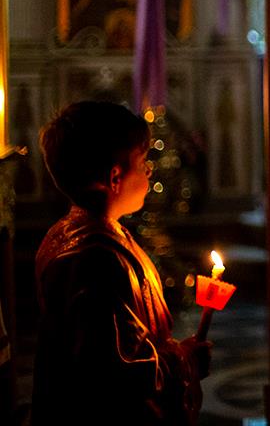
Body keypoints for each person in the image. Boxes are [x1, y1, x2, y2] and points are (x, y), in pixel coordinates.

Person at [32, 101, 209, 426]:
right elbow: (119, 372)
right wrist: (187, 361)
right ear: (115, 178)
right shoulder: (94, 259)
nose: (150, 170)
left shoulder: (77, 232)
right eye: (143, 162)